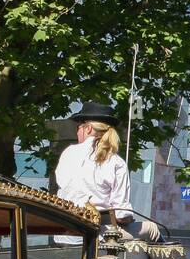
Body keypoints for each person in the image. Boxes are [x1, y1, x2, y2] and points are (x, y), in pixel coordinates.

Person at [54, 101, 161, 241]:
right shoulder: (116, 162)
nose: (77, 131)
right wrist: (128, 219)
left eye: (79, 126)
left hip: (66, 234)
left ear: (88, 129)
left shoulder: (68, 153)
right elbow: (121, 215)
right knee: (152, 228)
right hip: (97, 235)